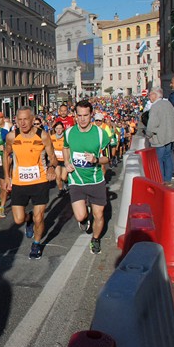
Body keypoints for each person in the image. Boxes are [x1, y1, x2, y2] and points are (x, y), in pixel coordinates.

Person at [3, 107, 58, 259]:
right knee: (18, 219)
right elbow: (6, 155)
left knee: (39, 217)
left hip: (39, 181)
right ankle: (28, 220)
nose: (23, 123)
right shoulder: (12, 136)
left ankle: (36, 243)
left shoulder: (43, 136)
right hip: (19, 182)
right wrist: (7, 177)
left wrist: (52, 168)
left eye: (26, 119)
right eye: (19, 119)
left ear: (33, 119)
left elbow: (53, 157)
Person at [62, 100, 110, 255]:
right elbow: (65, 148)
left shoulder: (100, 134)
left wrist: (96, 160)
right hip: (76, 180)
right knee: (80, 215)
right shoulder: (69, 132)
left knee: (99, 214)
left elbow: (107, 158)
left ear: (91, 115)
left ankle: (95, 239)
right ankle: (84, 218)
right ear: (75, 115)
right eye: (79, 115)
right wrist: (67, 162)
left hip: (96, 180)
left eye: (86, 115)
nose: (82, 119)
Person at [144, 87, 174, 185]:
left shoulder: (155, 106)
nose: (149, 96)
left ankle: (161, 181)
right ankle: (168, 179)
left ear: (155, 95)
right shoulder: (169, 104)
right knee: (167, 158)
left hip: (159, 138)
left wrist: (148, 134)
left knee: (159, 160)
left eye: (150, 94)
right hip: (170, 136)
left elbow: (152, 124)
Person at [51, 121, 68, 197]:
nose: (58, 130)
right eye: (57, 128)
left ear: (63, 129)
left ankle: (67, 182)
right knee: (58, 176)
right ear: (54, 129)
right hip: (57, 160)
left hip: (64, 160)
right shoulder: (52, 137)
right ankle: (61, 190)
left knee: (63, 177)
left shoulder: (66, 137)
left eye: (60, 128)